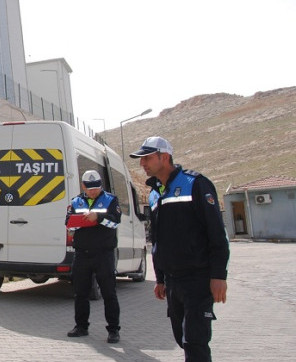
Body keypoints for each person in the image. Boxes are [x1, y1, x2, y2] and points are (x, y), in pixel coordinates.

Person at [130, 136, 229, 362]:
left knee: (195, 342)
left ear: (164, 157)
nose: (142, 164)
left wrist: (218, 275)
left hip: (198, 278)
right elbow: (158, 240)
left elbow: (216, 233)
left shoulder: (195, 184)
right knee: (180, 337)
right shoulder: (155, 194)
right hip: (173, 282)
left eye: (146, 158)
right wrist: (161, 278)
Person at [65, 170, 122, 343]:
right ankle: (81, 326)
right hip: (82, 254)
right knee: (80, 293)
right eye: (89, 188)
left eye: (96, 188)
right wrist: (76, 222)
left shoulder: (111, 200)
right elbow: (68, 224)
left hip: (103, 254)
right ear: (83, 186)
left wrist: (98, 217)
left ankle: (113, 330)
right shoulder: (76, 201)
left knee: (109, 293)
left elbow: (115, 221)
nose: (93, 191)